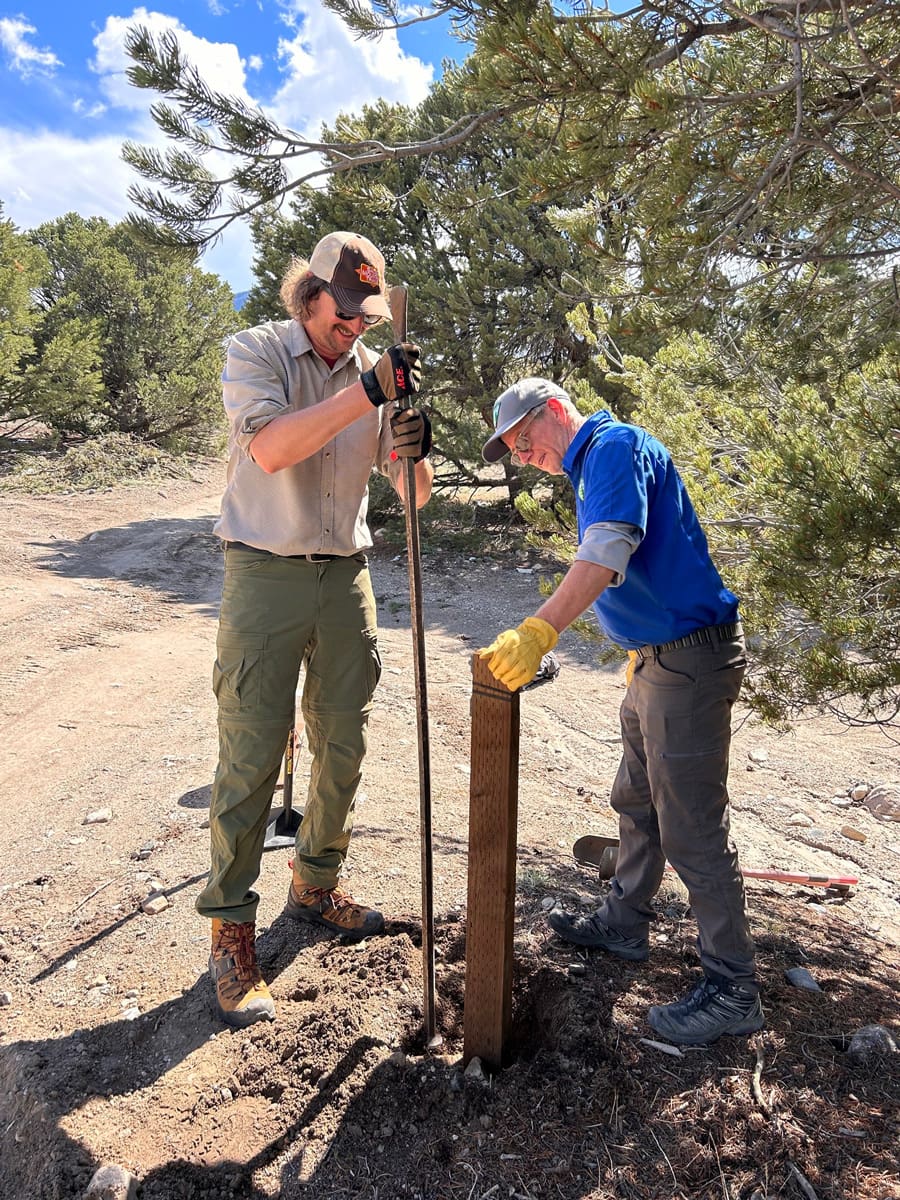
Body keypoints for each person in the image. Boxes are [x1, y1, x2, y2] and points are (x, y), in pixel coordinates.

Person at [478, 377, 763, 1046]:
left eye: (523, 440)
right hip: (658, 662)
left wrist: (540, 629)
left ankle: (734, 990)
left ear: (554, 409)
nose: (523, 457)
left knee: (691, 825)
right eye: (514, 452)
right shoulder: (594, 462)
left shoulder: (612, 446)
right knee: (635, 800)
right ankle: (624, 922)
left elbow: (607, 553)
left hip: (689, 660)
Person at [198, 231, 434, 1027]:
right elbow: (269, 449)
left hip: (345, 576)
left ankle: (315, 883)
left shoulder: (375, 373)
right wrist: (366, 395)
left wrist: (415, 449)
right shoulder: (256, 352)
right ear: (310, 297)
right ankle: (231, 932)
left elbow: (411, 493)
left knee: (344, 745)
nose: (356, 326)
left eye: (369, 314)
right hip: (264, 573)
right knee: (252, 751)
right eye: (345, 311)